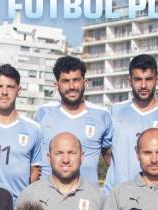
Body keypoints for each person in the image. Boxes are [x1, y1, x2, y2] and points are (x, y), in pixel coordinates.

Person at [104, 54, 158, 192]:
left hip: (156, 198)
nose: (143, 85)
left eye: (149, 79)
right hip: (117, 196)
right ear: (130, 81)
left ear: (157, 79)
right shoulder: (112, 113)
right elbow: (106, 151)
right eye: (138, 79)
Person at [34, 55, 112, 183]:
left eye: (76, 80)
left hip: (87, 197)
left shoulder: (102, 115)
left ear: (85, 82)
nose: (71, 86)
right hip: (47, 197)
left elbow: (109, 155)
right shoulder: (43, 113)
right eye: (65, 81)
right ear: (56, 85)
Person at [0, 64, 43, 198]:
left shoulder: (33, 129)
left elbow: (35, 170)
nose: (4, 92)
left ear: (19, 90)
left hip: (19, 206)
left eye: (10, 87)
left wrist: (25, 198)